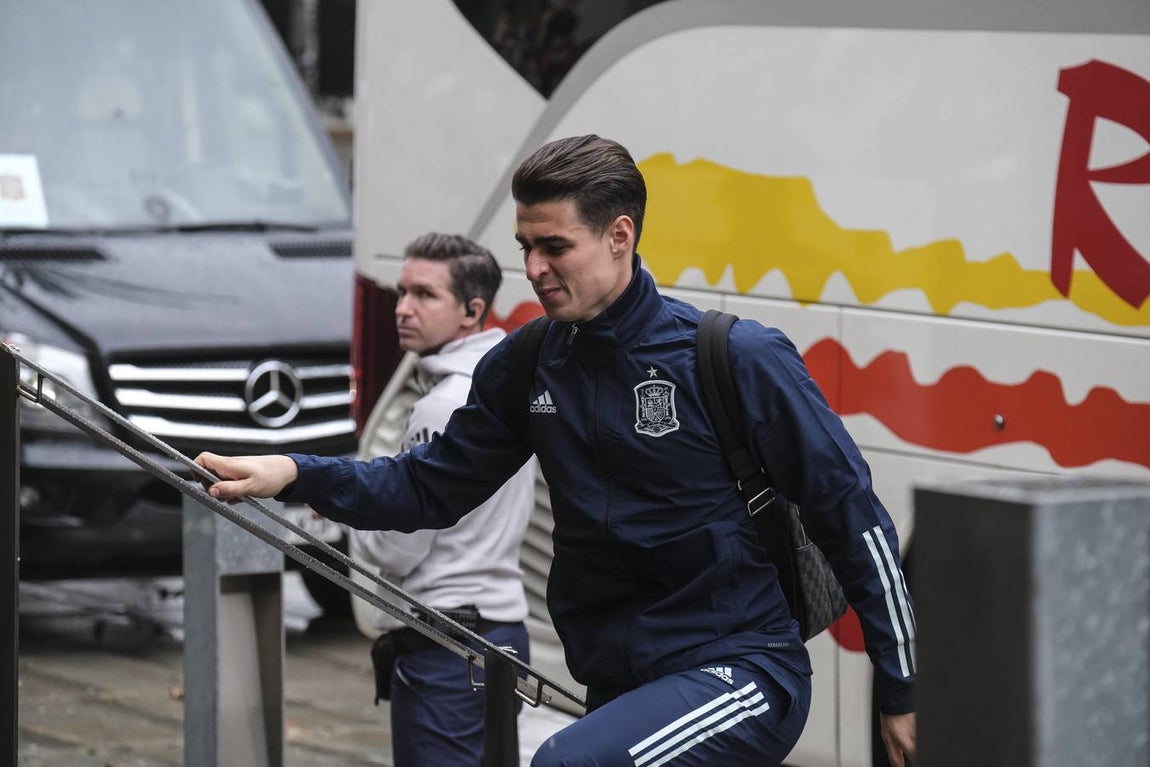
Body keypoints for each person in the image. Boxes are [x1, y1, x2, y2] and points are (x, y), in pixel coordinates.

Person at [196, 134, 917, 767]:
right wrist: (293, 473)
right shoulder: (530, 362)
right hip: (620, 684)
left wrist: (901, 686)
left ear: (619, 236)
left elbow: (854, 520)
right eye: (525, 247)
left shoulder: (736, 358)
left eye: (554, 246)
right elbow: (429, 486)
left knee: (568, 761)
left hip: (744, 672)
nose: (534, 267)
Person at [351, 232, 537, 766]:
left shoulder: (441, 406)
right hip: (499, 638)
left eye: (425, 295)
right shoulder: (498, 384)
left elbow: (394, 548)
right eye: (402, 291)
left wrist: (349, 509)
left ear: (471, 310)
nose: (403, 309)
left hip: (447, 648)